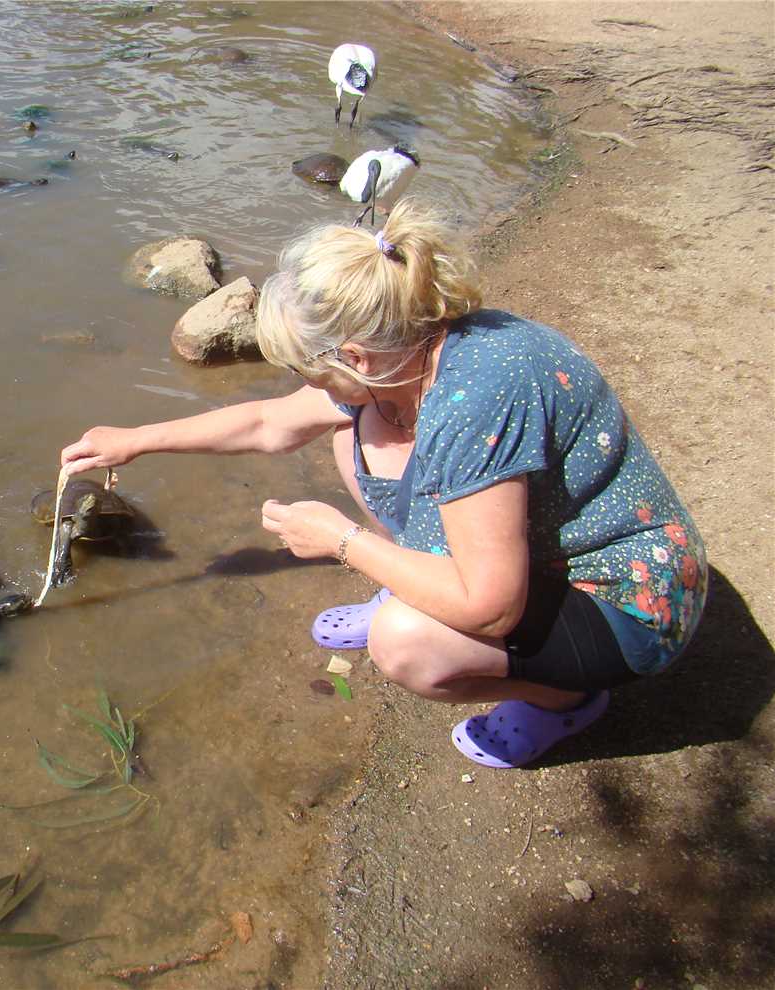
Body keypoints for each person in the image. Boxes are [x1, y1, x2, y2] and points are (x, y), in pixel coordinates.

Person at [60, 199, 707, 769]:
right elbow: (269, 423)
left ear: (355, 357)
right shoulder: (408, 348)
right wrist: (136, 439)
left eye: (307, 370)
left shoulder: (475, 399)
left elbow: (491, 607)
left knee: (404, 642)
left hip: (630, 599)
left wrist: (343, 542)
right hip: (537, 548)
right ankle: (418, 582)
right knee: (353, 430)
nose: (303, 384)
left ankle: (563, 700)